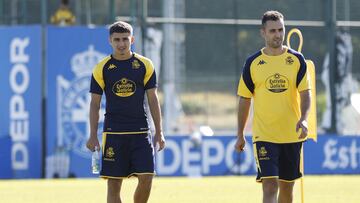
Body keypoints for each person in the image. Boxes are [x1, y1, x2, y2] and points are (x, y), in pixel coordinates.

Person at [235, 11, 311, 203]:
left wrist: (303, 119)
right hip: (264, 135)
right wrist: (240, 133)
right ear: (263, 33)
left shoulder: (297, 60)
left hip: (291, 134)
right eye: (272, 31)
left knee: (287, 188)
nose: (277, 34)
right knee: (270, 185)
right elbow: (244, 99)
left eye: (280, 30)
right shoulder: (252, 63)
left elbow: (305, 94)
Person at [86, 21, 165, 203]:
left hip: (141, 132)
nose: (121, 44)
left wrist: (159, 132)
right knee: (114, 185)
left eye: (125, 39)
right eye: (117, 40)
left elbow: (153, 99)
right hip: (114, 133)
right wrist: (92, 135)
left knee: (147, 177)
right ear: (110, 41)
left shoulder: (145, 65)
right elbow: (94, 104)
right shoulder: (101, 68)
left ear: (132, 40)